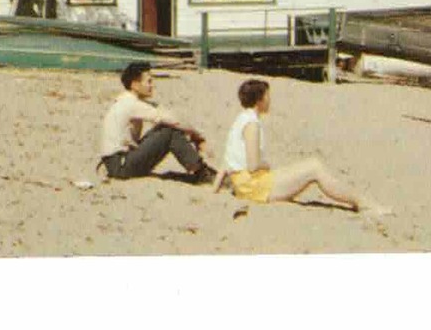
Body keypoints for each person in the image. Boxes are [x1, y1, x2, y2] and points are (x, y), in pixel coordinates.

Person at [221, 78, 391, 216]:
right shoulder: (251, 124)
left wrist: (215, 188)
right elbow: (253, 165)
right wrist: (265, 164)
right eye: (267, 96)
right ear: (259, 101)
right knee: (314, 168)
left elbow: (226, 162)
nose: (269, 100)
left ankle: (360, 201)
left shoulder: (241, 119)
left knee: (311, 164)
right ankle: (362, 203)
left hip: (247, 185)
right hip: (254, 187)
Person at [98, 62, 217, 184]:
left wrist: (192, 133)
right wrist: (198, 136)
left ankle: (199, 169)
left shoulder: (127, 101)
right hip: (121, 166)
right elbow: (174, 121)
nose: (152, 85)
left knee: (165, 127)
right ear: (135, 84)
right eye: (149, 81)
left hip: (117, 163)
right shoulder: (131, 104)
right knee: (168, 131)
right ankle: (201, 172)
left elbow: (169, 115)